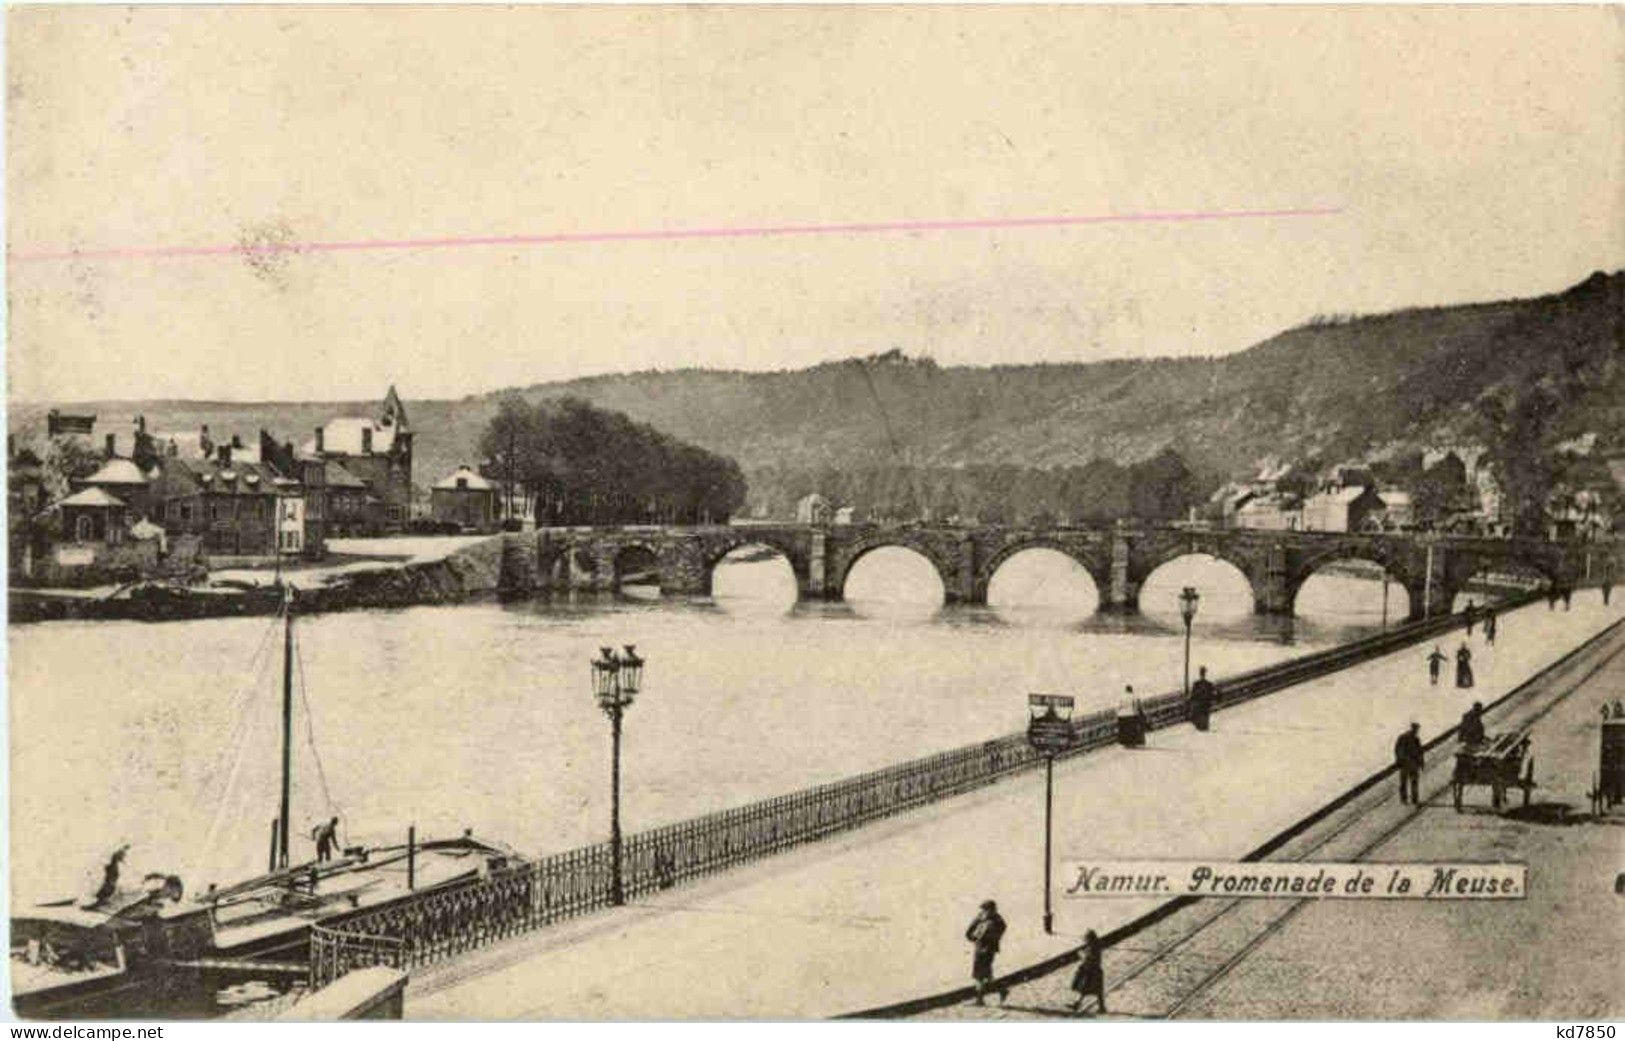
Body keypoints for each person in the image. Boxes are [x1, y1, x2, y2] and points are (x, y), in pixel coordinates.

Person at [965, 899, 1008, 1006]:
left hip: (989, 950)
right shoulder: (981, 916)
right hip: (979, 948)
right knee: (983, 976)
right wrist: (974, 938)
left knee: (981, 975)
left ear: (993, 910)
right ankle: (1000, 990)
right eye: (984, 909)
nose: (985, 911)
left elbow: (1000, 932)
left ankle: (981, 999)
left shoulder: (998, 921)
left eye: (987, 909)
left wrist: (992, 939)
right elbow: (969, 931)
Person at [1070, 929, 1107, 1015]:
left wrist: (1081, 954)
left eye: (1086, 939)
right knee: (1094, 990)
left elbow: (1088, 959)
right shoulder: (1095, 946)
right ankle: (1078, 1004)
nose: (1085, 940)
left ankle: (1101, 1007)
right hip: (1095, 971)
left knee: (1088, 989)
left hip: (1091, 971)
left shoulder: (1091, 948)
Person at [1394, 723, 1423, 805]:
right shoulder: (1404, 737)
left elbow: (1420, 752)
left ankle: (1414, 799)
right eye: (1416, 729)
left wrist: (1421, 763)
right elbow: (1398, 750)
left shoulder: (1416, 739)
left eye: (1417, 730)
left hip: (1413, 764)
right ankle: (1404, 799)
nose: (1417, 731)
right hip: (1405, 764)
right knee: (1404, 782)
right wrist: (1401, 760)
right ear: (1412, 728)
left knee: (1413, 781)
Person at [1188, 667, 1216, 732]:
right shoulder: (1208, 684)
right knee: (1204, 717)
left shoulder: (1196, 684)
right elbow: (1213, 693)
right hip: (1205, 705)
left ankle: (1201, 727)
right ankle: (1204, 727)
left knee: (1201, 718)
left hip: (1200, 705)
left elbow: (1193, 695)